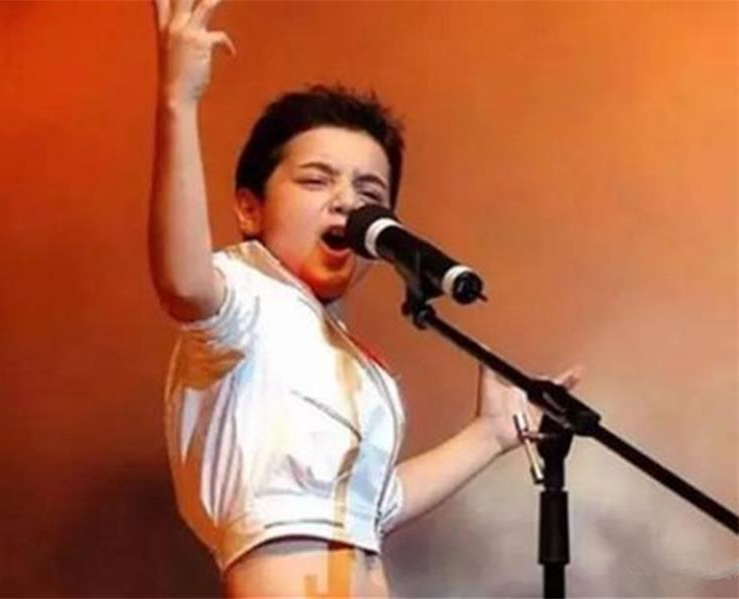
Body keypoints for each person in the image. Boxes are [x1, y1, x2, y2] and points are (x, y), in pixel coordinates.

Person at [148, 0, 581, 596]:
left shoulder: (352, 362)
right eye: (316, 180)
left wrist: (488, 435)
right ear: (249, 208)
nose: (348, 202)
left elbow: (376, 503)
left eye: (369, 192)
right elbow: (183, 283)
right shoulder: (244, 295)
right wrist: (179, 99)